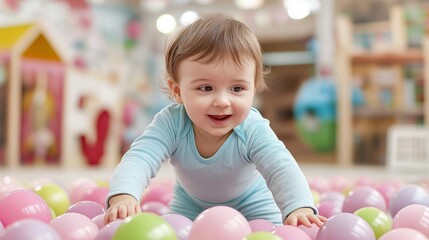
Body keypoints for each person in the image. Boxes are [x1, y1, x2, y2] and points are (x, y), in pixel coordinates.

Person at [105, 13, 326, 227]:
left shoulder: (252, 128)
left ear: (253, 90)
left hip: (252, 202)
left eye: (237, 88)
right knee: (173, 232)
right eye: (206, 88)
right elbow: (141, 157)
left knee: (272, 232)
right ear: (178, 90)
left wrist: (299, 207)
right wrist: (124, 194)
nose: (222, 101)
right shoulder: (171, 123)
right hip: (190, 203)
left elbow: (280, 167)